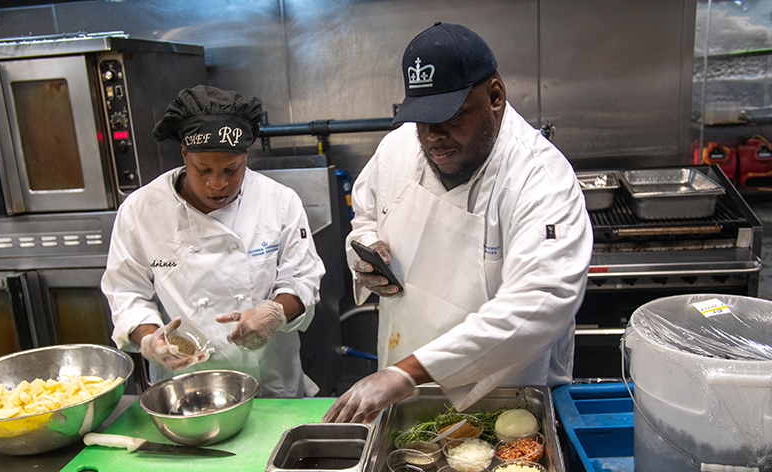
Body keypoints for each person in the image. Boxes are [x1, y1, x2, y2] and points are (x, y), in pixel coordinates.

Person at [324, 23, 592, 423]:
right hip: (402, 388)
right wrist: (365, 254)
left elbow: (540, 301)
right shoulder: (398, 147)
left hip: (506, 396)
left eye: (451, 116)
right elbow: (365, 215)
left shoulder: (539, 178)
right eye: (421, 119)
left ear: (495, 97)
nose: (433, 136)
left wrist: (408, 372)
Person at [102, 85, 325, 398]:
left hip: (270, 383)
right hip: (186, 382)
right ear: (184, 155)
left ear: (246, 155)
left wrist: (274, 312)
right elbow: (126, 291)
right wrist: (150, 339)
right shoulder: (141, 210)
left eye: (231, 170)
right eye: (203, 169)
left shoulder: (278, 200)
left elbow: (303, 278)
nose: (217, 183)